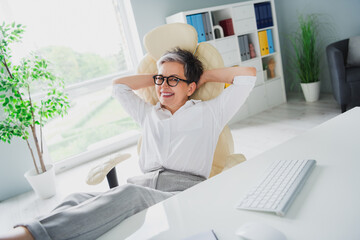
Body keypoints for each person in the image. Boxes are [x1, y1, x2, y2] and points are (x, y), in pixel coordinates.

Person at [1, 48, 256, 240]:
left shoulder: (210, 112)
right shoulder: (149, 113)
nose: (163, 86)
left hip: (181, 191)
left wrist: (203, 76)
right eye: (160, 79)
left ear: (191, 87)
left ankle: (29, 236)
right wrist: (161, 76)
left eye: (173, 80)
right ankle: (28, 229)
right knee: (77, 197)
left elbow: (247, 75)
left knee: (129, 195)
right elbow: (119, 87)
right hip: (142, 184)